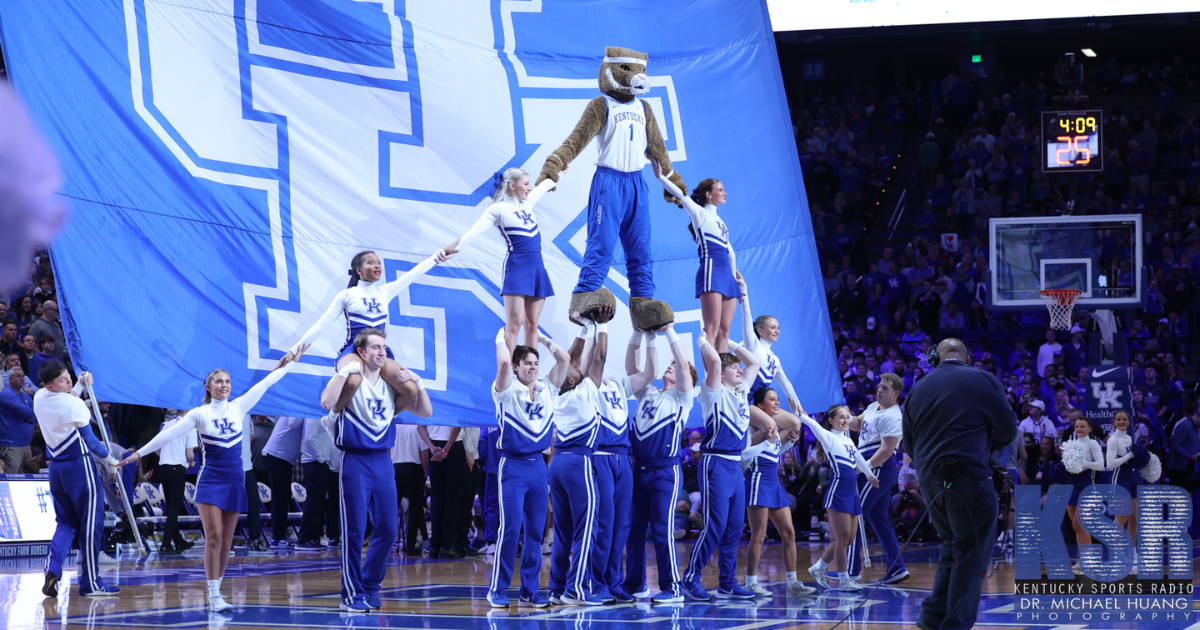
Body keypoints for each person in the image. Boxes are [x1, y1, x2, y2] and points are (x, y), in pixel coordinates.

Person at [119, 349, 306, 612]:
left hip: (235, 480)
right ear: (208, 387)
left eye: (227, 382)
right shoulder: (199, 413)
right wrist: (138, 453)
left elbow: (267, 383)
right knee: (214, 537)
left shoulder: (239, 406)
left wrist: (287, 365)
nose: (224, 385)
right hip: (211, 480)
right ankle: (212, 593)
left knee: (227, 541)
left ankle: (219, 592)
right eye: (218, 382)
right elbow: (167, 435)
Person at [902, 338, 1018, 630]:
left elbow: (909, 445)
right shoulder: (983, 380)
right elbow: (1007, 432)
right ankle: (956, 625)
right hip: (968, 478)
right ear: (967, 357)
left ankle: (931, 618)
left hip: (930, 482)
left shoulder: (917, 389)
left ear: (935, 358)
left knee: (952, 547)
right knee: (971, 554)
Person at [317, 328, 433, 613]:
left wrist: (417, 381)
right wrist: (345, 372)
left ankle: (370, 585)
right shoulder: (351, 383)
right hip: (355, 461)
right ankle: (351, 595)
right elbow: (326, 403)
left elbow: (426, 411)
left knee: (388, 527)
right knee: (355, 531)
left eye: (384, 347)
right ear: (361, 353)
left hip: (383, 462)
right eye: (375, 348)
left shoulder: (391, 389)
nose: (382, 352)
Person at [277, 247, 454, 414]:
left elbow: (415, 273)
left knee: (409, 389)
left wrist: (439, 254)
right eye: (370, 262)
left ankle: (383, 419)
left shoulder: (386, 291)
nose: (377, 266)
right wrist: (293, 351)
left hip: (377, 351)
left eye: (378, 263)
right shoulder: (347, 295)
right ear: (358, 271)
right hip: (353, 350)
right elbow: (320, 325)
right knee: (354, 380)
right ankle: (333, 417)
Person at [680, 332, 762, 600]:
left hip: (735, 465)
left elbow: (755, 364)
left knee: (735, 528)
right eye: (733, 367)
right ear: (722, 373)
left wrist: (733, 344)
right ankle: (691, 578)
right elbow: (714, 363)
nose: (740, 369)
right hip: (714, 461)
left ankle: (727, 581)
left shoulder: (741, 392)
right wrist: (705, 339)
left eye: (738, 367)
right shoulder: (712, 391)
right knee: (714, 526)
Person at [449, 167, 563, 353]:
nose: (530, 188)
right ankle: (510, 373)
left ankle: (528, 376)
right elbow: (475, 231)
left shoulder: (527, 203)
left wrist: (561, 170)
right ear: (512, 185)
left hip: (537, 269)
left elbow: (544, 186)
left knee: (533, 324)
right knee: (515, 324)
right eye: (526, 184)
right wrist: (455, 249)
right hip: (517, 268)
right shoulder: (497, 209)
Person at [485, 327, 557, 608]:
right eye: (527, 363)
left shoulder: (545, 390)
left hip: (538, 466)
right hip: (512, 466)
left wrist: (544, 339)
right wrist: (501, 337)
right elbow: (503, 362)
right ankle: (498, 589)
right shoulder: (505, 390)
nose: (533, 368)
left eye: (536, 363)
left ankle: (530, 591)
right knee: (511, 529)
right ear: (516, 367)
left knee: (537, 534)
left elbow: (565, 362)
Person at [623, 322, 695, 603]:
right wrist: (641, 334)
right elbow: (632, 368)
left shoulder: (682, 398)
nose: (671, 366)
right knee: (634, 531)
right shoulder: (648, 393)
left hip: (665, 471)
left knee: (663, 531)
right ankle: (635, 585)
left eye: (677, 367)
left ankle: (671, 587)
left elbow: (683, 361)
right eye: (670, 364)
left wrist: (669, 331)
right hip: (638, 470)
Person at [34, 364, 120, 598]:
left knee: (65, 524)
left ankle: (52, 570)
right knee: (92, 524)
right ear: (51, 384)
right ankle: (91, 583)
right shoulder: (75, 405)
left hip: (56, 469)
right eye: (63, 380)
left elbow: (67, 398)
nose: (68, 382)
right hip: (79, 467)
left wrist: (80, 383)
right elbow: (92, 443)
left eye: (68, 377)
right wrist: (110, 460)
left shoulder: (40, 396)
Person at [546, 310, 611, 606]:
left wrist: (586, 329)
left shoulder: (556, 395)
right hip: (579, 461)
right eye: (573, 371)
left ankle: (557, 589)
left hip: (558, 463)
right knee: (587, 528)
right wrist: (603, 325)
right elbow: (599, 358)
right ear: (572, 380)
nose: (575, 368)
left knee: (563, 530)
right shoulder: (584, 390)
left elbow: (573, 358)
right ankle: (576, 590)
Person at [652, 159, 740, 352]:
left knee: (725, 332)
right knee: (712, 330)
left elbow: (731, 254)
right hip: (712, 271)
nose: (725, 193)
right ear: (709, 194)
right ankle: (713, 379)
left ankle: (724, 379)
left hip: (727, 276)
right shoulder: (700, 214)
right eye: (720, 189)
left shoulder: (721, 222)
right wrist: (660, 177)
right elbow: (681, 196)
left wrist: (734, 279)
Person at [741, 390, 817, 597]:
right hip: (757, 480)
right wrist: (770, 424)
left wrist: (790, 442)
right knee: (759, 535)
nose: (776, 402)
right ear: (759, 406)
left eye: (777, 399)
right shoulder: (757, 431)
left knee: (789, 533)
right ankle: (750, 583)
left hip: (773, 482)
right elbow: (748, 454)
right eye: (771, 399)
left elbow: (776, 449)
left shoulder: (773, 430)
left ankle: (792, 583)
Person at [586, 323, 640, 603]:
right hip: (601, 457)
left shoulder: (619, 384)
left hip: (623, 459)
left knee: (622, 524)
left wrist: (645, 334)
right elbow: (599, 358)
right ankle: (596, 582)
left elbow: (650, 373)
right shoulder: (588, 382)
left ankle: (613, 580)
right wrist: (600, 324)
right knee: (604, 522)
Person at [801, 406, 879, 592]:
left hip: (852, 493)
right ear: (831, 421)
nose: (845, 421)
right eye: (841, 418)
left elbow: (858, 457)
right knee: (842, 539)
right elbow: (810, 423)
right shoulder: (829, 437)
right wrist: (801, 412)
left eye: (847, 417)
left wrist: (869, 475)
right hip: (838, 491)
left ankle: (818, 567)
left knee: (849, 538)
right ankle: (844, 580)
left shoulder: (847, 440)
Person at [847, 373, 909, 585]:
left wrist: (861, 469)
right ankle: (897, 568)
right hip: (870, 463)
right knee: (879, 519)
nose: (879, 390)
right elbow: (856, 424)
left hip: (878, 467)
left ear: (896, 394)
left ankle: (851, 572)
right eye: (879, 386)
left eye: (885, 388)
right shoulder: (874, 407)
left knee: (854, 516)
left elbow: (886, 450)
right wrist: (844, 416)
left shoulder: (893, 416)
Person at [736, 277, 803, 434]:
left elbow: (786, 384)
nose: (777, 331)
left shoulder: (775, 359)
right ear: (760, 330)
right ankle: (748, 456)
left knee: (795, 424)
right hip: (744, 400)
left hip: (761, 404)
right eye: (772, 327)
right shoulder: (752, 345)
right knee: (769, 426)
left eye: (778, 328)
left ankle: (772, 453)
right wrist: (743, 289)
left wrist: (799, 408)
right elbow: (746, 317)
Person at [417, 421, 472, 559]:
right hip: (453, 447)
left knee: (437, 499)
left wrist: (432, 448)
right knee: (452, 500)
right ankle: (446, 546)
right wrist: (446, 449)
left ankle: (434, 546)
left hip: (434, 446)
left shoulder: (431, 400)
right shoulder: (453, 399)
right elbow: (458, 424)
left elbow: (420, 426)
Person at [154, 409, 198, 555]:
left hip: (163, 468)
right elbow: (190, 453)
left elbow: (155, 448)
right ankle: (165, 544)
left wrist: (165, 456)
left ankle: (178, 541)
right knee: (174, 508)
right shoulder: (189, 425)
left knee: (170, 506)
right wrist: (191, 462)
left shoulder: (166, 424)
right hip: (176, 468)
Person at [296, 416, 343, 552]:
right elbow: (309, 438)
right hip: (314, 463)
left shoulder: (325, 416)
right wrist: (321, 460)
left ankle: (315, 538)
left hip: (325, 463)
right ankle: (304, 539)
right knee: (314, 502)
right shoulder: (313, 415)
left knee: (321, 503)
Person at [262, 416, 305, 549]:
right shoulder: (297, 408)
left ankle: (280, 535)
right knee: (280, 498)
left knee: (284, 497)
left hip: (282, 457)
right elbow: (293, 422)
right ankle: (277, 538)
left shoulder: (296, 408)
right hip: (277, 455)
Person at [1065, 414, 1104, 551]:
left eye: (1082, 426)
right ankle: (1083, 560)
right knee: (1076, 526)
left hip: (1087, 484)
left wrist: (1083, 463)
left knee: (1080, 523)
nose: (1079, 429)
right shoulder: (1072, 443)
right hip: (1072, 483)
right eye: (1077, 427)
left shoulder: (1093, 443)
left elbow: (1100, 465)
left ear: (1089, 429)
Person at [389, 424, 428, 557]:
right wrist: (424, 472)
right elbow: (424, 452)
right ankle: (411, 546)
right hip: (414, 468)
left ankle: (387, 544)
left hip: (396, 468)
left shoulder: (394, 425)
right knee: (415, 510)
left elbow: (388, 449)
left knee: (391, 509)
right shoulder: (418, 426)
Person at [1105, 410, 1142, 549]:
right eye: (1118, 419)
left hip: (1132, 478)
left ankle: (1131, 552)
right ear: (1114, 422)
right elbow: (1110, 464)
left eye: (1124, 419)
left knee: (1134, 520)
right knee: (1121, 519)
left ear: (1128, 422)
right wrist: (1129, 456)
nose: (1121, 422)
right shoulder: (1113, 439)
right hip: (1120, 479)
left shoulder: (1129, 438)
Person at [0, 366, 36, 474]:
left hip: (26, 445)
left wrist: (28, 417)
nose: (22, 379)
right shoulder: (6, 394)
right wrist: (27, 416)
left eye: (23, 376)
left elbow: (34, 415)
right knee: (11, 478)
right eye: (18, 376)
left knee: (25, 481)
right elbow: (26, 412)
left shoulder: (25, 395)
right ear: (10, 379)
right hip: (12, 446)